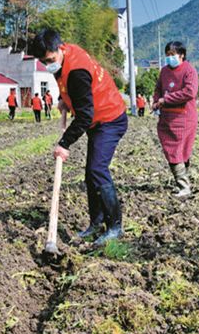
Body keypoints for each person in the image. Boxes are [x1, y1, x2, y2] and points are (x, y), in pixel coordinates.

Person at [31, 29, 128, 247]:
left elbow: (85, 116)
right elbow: (67, 84)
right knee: (90, 174)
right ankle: (96, 223)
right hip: (98, 119)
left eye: (50, 59)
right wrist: (64, 98)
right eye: (43, 61)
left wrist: (64, 143)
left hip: (110, 118)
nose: (48, 65)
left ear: (59, 48)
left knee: (97, 170)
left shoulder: (77, 72)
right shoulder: (64, 55)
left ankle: (115, 227)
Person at [152, 41, 199, 198]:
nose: (169, 58)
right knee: (172, 151)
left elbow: (189, 92)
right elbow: (158, 88)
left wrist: (166, 99)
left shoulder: (189, 70)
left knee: (180, 151)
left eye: (172, 54)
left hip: (184, 117)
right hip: (167, 118)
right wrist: (156, 101)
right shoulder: (164, 71)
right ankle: (183, 183)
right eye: (167, 55)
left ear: (182, 55)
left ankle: (184, 185)